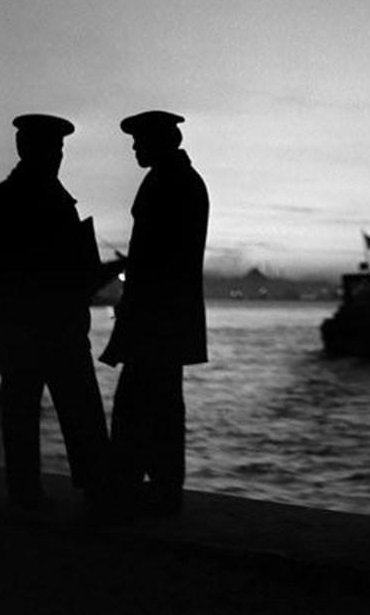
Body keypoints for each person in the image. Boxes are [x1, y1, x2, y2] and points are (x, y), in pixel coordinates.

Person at [0, 114, 124, 512]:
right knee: (82, 411)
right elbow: (69, 273)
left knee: (20, 412)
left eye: (59, 150)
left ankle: (24, 490)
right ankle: (98, 488)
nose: (58, 157)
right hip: (57, 325)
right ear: (33, 151)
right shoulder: (53, 203)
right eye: (53, 150)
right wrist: (106, 272)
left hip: (18, 327)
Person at [100, 110, 209, 516]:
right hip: (165, 315)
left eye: (139, 141)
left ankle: (138, 486)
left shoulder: (168, 182)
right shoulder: (181, 181)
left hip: (156, 317)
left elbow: (158, 257)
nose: (133, 147)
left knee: (140, 402)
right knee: (160, 401)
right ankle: (160, 485)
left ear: (158, 142)